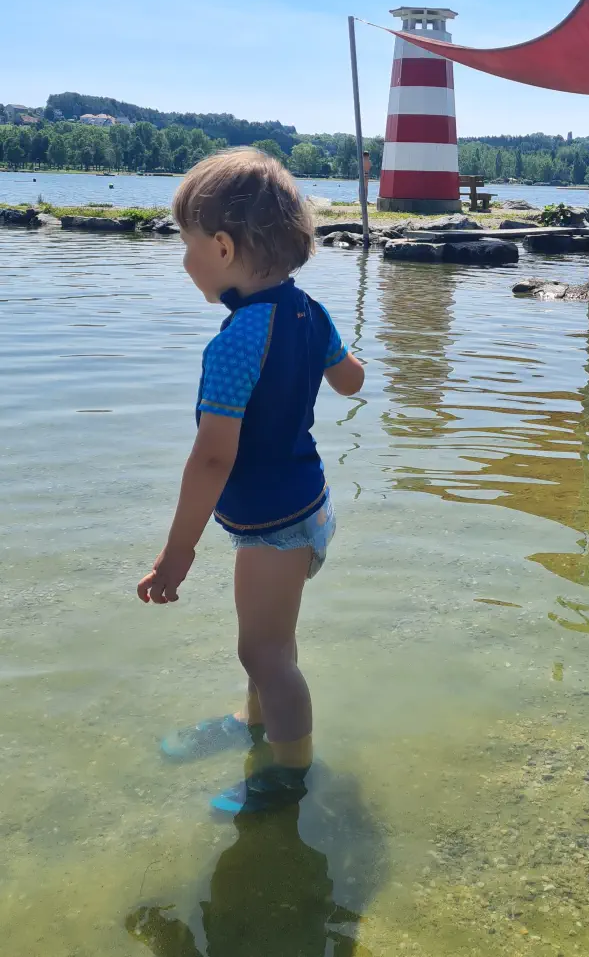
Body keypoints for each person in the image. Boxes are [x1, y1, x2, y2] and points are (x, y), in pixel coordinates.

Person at [137, 148, 365, 816]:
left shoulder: (237, 340)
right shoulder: (308, 311)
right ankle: (253, 722)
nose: (185, 263)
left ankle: (291, 772)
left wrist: (176, 555)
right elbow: (350, 378)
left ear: (224, 246)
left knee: (264, 649)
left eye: (187, 247)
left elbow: (212, 458)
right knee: (271, 640)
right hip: (306, 504)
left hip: (274, 522)